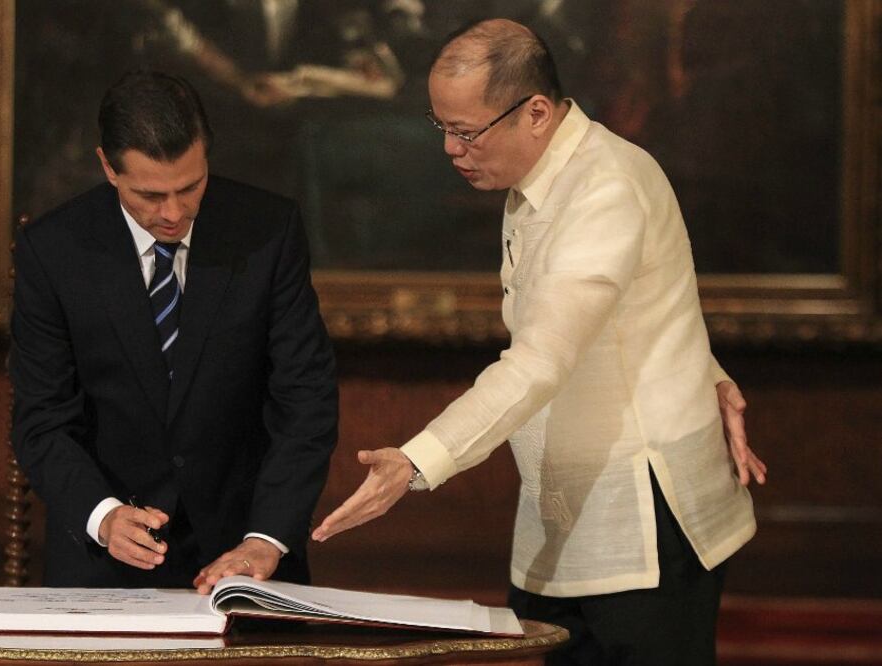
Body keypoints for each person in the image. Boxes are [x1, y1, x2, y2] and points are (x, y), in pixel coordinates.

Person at [312, 20, 766, 665]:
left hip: (643, 517)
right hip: (563, 510)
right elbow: (641, 306)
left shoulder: (603, 189)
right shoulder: (542, 171)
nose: (451, 149)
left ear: (536, 112)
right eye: (443, 127)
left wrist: (416, 461)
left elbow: (540, 359)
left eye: (466, 132)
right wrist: (706, 369)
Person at [10, 70, 338, 594]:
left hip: (247, 551)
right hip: (106, 561)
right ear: (107, 167)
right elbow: (42, 419)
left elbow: (306, 398)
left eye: (191, 186)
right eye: (150, 194)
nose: (174, 213)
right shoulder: (54, 251)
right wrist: (104, 516)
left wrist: (268, 536)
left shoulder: (268, 230)